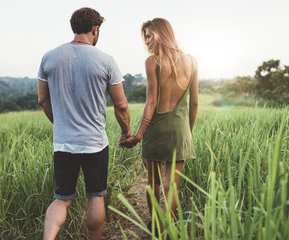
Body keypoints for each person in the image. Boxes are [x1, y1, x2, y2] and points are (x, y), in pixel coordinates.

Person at [38, 7, 132, 240]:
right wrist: (126, 132)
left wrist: (60, 124)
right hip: (95, 144)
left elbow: (42, 100)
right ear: (95, 29)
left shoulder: (49, 57)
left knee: (62, 199)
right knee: (96, 196)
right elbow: (121, 106)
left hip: (63, 143)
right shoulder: (106, 60)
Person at [120, 18, 198, 234]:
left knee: (153, 183)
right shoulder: (192, 61)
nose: (146, 40)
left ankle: (155, 226)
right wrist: (187, 133)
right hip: (179, 131)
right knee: (171, 185)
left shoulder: (152, 62)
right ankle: (169, 229)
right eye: (144, 36)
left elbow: (151, 102)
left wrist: (138, 134)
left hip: (155, 130)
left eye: (149, 35)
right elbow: (194, 102)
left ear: (162, 34)